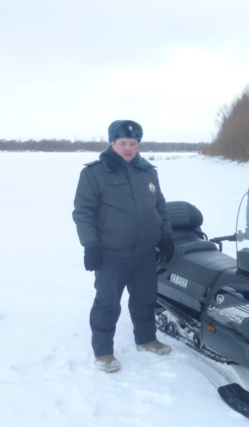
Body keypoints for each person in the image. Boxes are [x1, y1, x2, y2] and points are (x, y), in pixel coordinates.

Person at [73, 119, 175, 373]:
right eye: (122, 143)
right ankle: (103, 352)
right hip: (111, 253)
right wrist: (91, 246)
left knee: (145, 299)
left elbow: (159, 206)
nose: (128, 148)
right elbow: (83, 212)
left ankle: (146, 339)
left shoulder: (148, 171)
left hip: (144, 252)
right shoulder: (93, 173)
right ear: (112, 143)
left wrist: (166, 236)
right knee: (107, 303)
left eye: (133, 143)